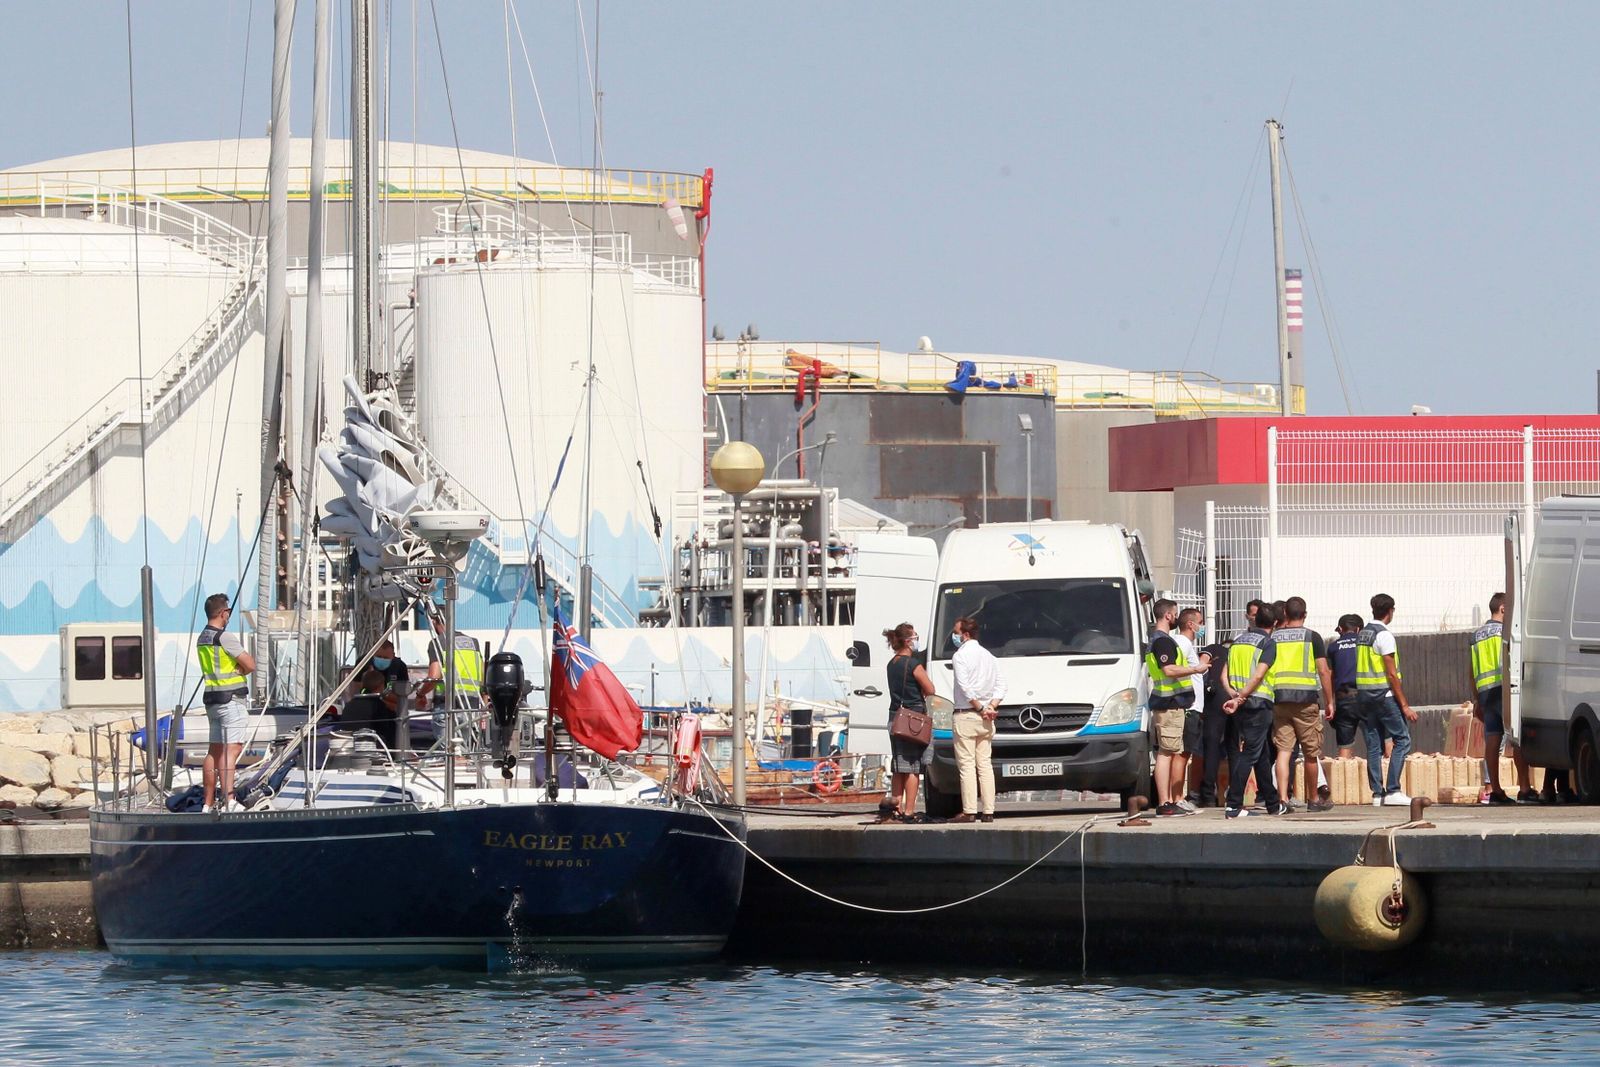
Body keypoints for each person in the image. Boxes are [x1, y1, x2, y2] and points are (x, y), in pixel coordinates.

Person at [1268, 597, 1335, 812]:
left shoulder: (1273, 637)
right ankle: (1313, 799)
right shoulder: (1312, 637)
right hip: (1306, 701)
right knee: (1310, 753)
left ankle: (1282, 799)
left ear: (1285, 614)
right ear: (1305, 614)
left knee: (1283, 750)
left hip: (1279, 699)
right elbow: (1323, 671)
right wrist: (1330, 701)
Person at [1222, 602, 1289, 818]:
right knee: (1251, 754)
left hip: (1240, 704)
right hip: (1257, 704)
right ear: (1275, 623)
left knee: (1261, 755)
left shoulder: (1237, 642)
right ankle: (1233, 805)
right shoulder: (1267, 643)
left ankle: (1273, 804)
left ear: (1255, 620)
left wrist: (1234, 695)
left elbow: (1224, 674)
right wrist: (1242, 697)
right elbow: (1259, 675)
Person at [1146, 600, 1209, 816]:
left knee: (1170, 752)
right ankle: (1165, 802)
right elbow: (1169, 670)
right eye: (1174, 613)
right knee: (1166, 753)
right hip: (1169, 704)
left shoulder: (1160, 640)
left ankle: (1168, 801)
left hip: (1170, 704)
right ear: (1168, 616)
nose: (1175, 617)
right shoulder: (1163, 641)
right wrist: (1196, 669)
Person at [1472, 592, 1535, 804]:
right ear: (1503, 609)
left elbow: (1470, 672)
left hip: (1485, 694)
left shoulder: (1476, 636)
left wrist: (1477, 700)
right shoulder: (1506, 632)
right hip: (1505, 691)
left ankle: (1496, 790)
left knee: (1492, 739)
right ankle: (1524, 788)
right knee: (1516, 738)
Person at [195, 593, 256, 814]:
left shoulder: (202, 638)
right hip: (231, 700)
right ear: (224, 613)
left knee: (214, 752)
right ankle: (229, 800)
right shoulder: (225, 637)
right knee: (232, 749)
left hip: (212, 700)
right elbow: (251, 664)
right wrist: (241, 669)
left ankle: (207, 803)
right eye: (228, 611)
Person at [1356, 593, 1416, 806]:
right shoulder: (1384, 635)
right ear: (1390, 611)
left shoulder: (1362, 634)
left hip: (1364, 696)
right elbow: (1392, 673)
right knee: (1403, 739)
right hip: (1383, 696)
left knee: (1373, 745)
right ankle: (1393, 790)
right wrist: (1405, 705)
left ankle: (1377, 794)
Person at [949, 616, 1003, 824]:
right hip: (986, 717)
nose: (953, 636)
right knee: (985, 764)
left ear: (965, 634)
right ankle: (989, 811)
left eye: (956, 632)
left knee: (967, 765)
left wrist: (980, 707)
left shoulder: (960, 656)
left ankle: (969, 810)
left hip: (966, 714)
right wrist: (991, 706)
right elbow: (1001, 685)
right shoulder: (989, 656)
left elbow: (965, 687)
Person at [879, 622, 935, 823]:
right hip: (913, 719)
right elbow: (930, 689)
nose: (917, 640)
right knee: (913, 766)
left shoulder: (891, 664)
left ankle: (896, 808)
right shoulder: (913, 664)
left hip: (895, 716)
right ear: (908, 641)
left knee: (898, 765)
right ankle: (910, 810)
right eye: (915, 636)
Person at [1174, 608, 1207, 808]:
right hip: (1189, 707)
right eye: (1200, 622)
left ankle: (1176, 797)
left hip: (1193, 707)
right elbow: (1174, 669)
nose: (1202, 626)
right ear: (1190, 624)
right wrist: (1197, 668)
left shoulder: (1185, 644)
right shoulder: (1182, 643)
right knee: (1183, 753)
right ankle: (1177, 798)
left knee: (1185, 753)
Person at [1327, 614, 1365, 759]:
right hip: (1367, 697)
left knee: (1345, 745)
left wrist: (1331, 702)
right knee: (1380, 740)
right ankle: (1387, 769)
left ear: (1341, 629)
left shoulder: (1333, 647)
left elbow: (1330, 675)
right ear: (1359, 629)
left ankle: (1343, 771)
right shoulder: (1366, 644)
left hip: (1344, 699)